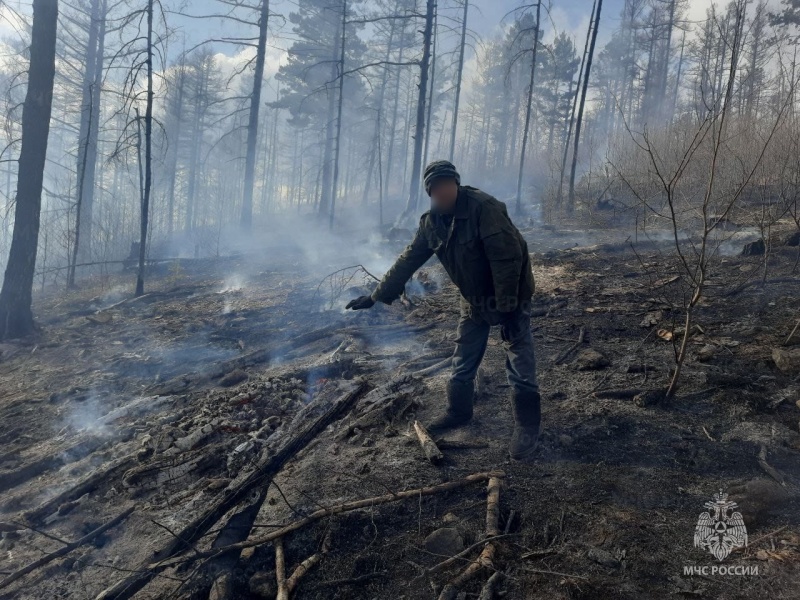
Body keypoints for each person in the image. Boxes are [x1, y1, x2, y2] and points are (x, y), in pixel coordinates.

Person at [346, 160, 541, 462]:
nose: (444, 191)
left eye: (448, 184)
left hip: (511, 293)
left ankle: (527, 427)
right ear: (431, 193)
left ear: (456, 184)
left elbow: (507, 259)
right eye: (437, 189)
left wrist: (505, 306)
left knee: (519, 359)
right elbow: (408, 260)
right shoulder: (431, 223)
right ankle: (458, 412)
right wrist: (376, 295)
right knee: (463, 356)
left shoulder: (484, 208)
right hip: (474, 298)